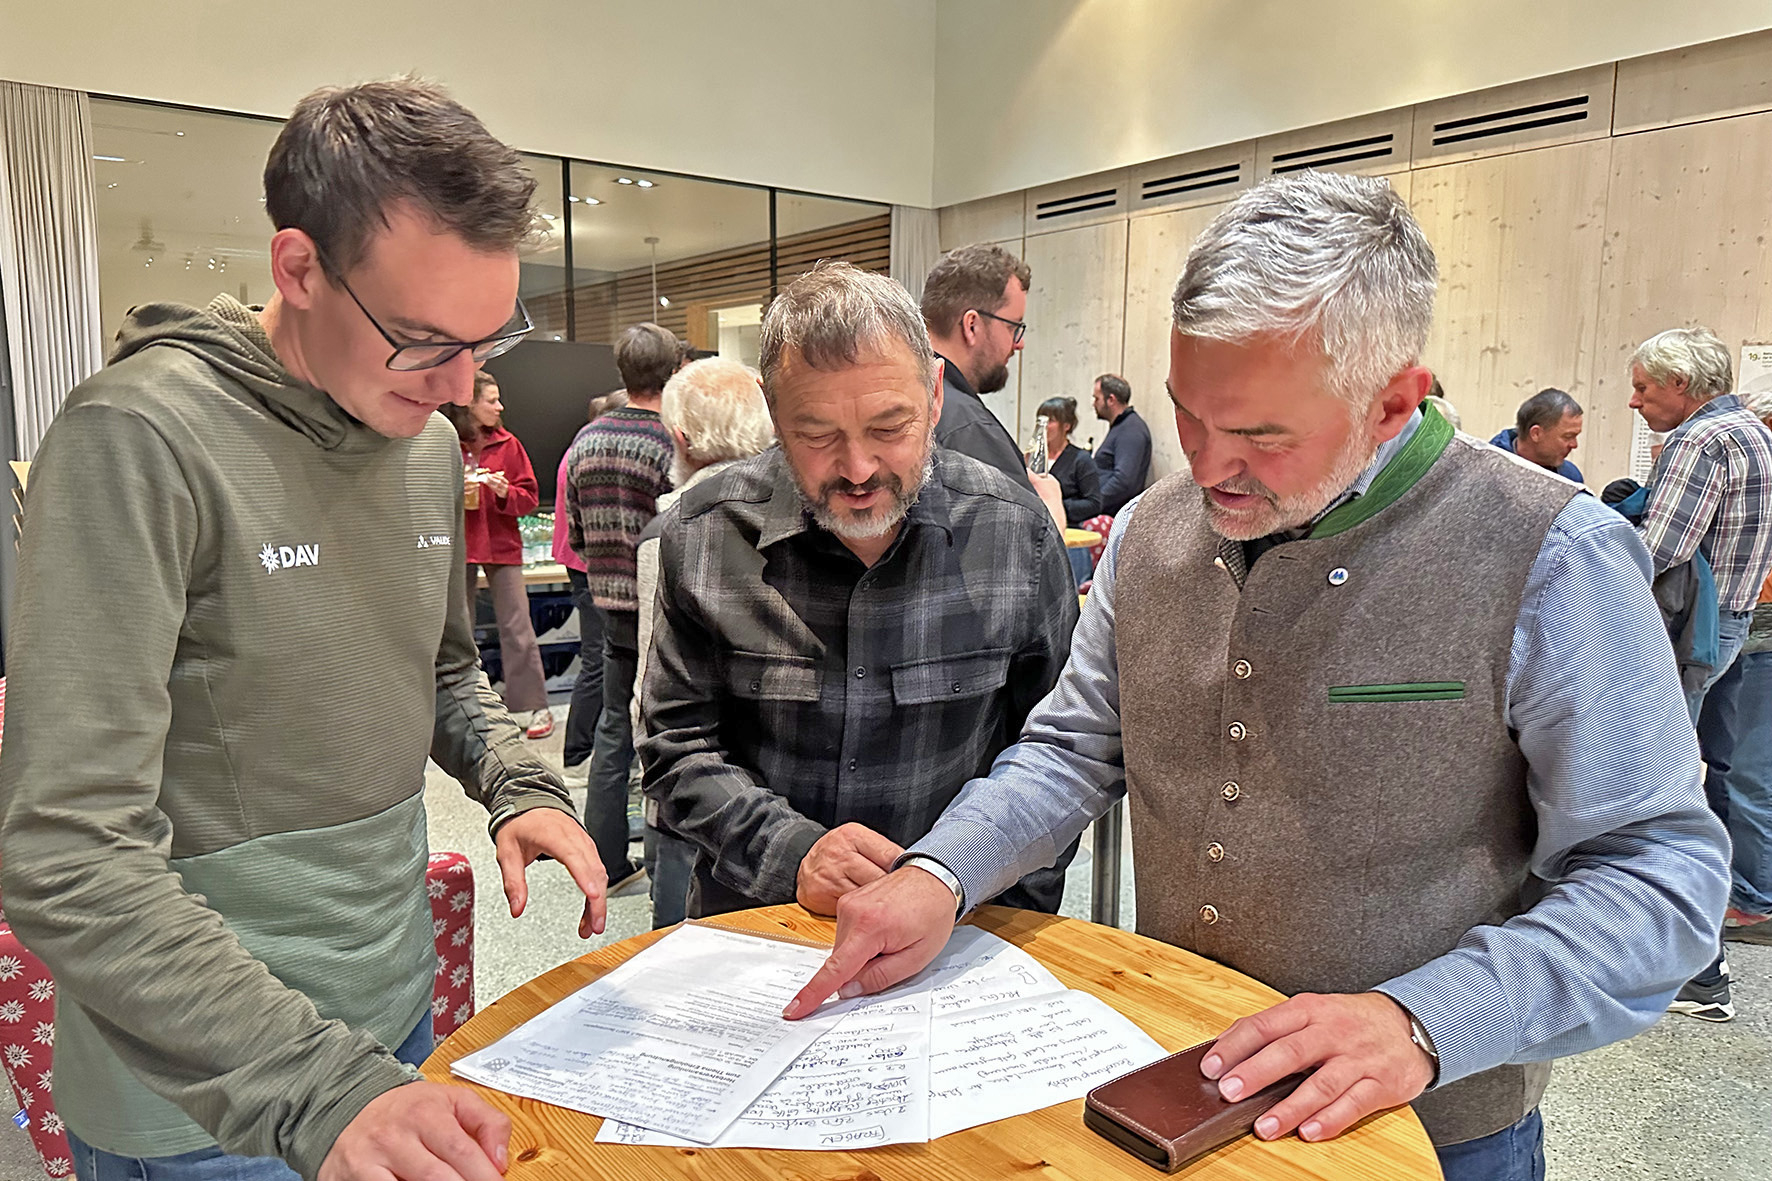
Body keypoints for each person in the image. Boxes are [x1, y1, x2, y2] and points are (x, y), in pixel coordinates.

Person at [787, 172, 1728, 1181]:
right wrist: (940, 872)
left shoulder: (1550, 553)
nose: (1207, 466)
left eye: (1261, 435)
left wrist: (1421, 1019)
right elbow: (1070, 748)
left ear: (1392, 401)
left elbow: (1657, 881)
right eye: (1188, 415)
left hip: (1428, 1131)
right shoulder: (1152, 529)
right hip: (1173, 1086)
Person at [0, 78, 608, 1181]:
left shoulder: (427, 446)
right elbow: (66, 851)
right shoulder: (138, 437)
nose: (460, 386)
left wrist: (515, 783)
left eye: (486, 342)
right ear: (298, 267)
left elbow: (441, 671)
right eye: (421, 340)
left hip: (388, 1023)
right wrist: (322, 1088)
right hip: (211, 1097)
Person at [641, 261, 1081, 920]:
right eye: (817, 434)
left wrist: (1000, 910)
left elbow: (1053, 753)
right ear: (772, 411)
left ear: (935, 395)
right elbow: (676, 747)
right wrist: (794, 854)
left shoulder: (1016, 534)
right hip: (761, 923)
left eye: (889, 427)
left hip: (964, 929)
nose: (857, 468)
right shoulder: (705, 534)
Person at [1629, 325, 1772, 1021]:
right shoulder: (1752, 433)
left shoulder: (1700, 440)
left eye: (1643, 387)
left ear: (1681, 385)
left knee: (1660, 793)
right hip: (1732, 627)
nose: (1635, 402)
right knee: (1706, 784)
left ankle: (1698, 970)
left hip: (1686, 636)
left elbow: (1658, 550)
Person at [630, 357, 776, 927]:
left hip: (699, 791)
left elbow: (652, 689)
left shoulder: (673, 533)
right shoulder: (802, 510)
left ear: (680, 437)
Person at [564, 322, 677, 886]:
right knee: (671, 731)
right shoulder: (669, 441)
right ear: (673, 369)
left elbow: (575, 533)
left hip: (609, 603)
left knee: (613, 729)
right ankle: (664, 862)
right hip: (662, 608)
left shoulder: (585, 440)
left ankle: (604, 859)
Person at [1696, 390, 1772, 945]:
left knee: (1750, 773)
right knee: (1734, 766)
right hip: (1752, 634)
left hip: (1761, 637)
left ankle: (1755, 900)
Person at [920, 244, 1067, 526]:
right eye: (1013, 327)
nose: (1019, 344)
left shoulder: (894, 399)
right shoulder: (966, 428)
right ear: (971, 325)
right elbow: (1020, 546)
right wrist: (1051, 512)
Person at [443, 370, 553, 737]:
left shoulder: (509, 444)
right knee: (458, 630)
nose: (500, 406)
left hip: (502, 544)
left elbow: (529, 499)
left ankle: (533, 706)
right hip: (456, 546)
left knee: (517, 627)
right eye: (491, 400)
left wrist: (505, 492)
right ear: (469, 404)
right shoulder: (443, 440)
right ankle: (463, 707)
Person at [552, 389, 627, 776]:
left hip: (583, 564)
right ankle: (578, 753)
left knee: (598, 658)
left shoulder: (579, 451)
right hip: (588, 567)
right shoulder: (589, 456)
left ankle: (582, 749)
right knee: (597, 659)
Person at [1034, 395, 1102, 527]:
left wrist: (1056, 505)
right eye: (1040, 420)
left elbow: (1094, 503)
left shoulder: (1081, 459)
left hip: (1067, 528)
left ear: (1066, 426)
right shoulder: (1034, 458)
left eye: (1050, 421)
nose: (1043, 426)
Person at [1489, 388, 1584, 482]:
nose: (1574, 445)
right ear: (1536, 434)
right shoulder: (1488, 469)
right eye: (1568, 436)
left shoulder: (1571, 476)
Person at [1091, 372, 1151, 515]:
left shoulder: (1131, 430)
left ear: (1111, 400)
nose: (1094, 404)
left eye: (1097, 398)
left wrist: (1092, 505)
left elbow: (1123, 481)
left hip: (1111, 515)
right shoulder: (1122, 426)